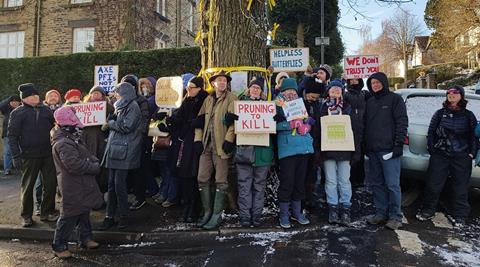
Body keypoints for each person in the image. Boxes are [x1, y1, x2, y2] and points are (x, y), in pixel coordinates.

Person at [416, 86, 477, 227]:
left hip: (461, 155)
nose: (451, 95)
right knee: (433, 184)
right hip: (440, 154)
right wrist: (433, 150)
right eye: (449, 93)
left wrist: (471, 153)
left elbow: (473, 137)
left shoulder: (469, 115)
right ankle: (428, 210)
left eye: (455, 93)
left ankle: (460, 215)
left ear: (461, 96)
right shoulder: (439, 113)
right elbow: (431, 133)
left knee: (460, 187)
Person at [51, 106, 102, 259]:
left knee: (84, 211)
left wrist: (92, 160)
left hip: (80, 183)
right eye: (74, 116)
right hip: (72, 184)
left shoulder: (71, 137)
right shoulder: (64, 142)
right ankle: (59, 245)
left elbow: (83, 154)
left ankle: (85, 238)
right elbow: (74, 165)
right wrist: (93, 167)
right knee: (69, 215)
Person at [8, 83, 58, 227]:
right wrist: (16, 156)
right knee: (27, 187)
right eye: (31, 95)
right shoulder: (17, 113)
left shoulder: (46, 110)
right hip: (28, 156)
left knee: (50, 185)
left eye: (36, 94)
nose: (35, 97)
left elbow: (55, 127)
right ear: (24, 99)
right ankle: (26, 216)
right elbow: (12, 136)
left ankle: (47, 212)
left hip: (48, 154)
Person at [194, 70, 238, 230]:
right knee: (202, 177)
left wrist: (229, 140)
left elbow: (234, 122)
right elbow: (199, 121)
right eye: (219, 80)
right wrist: (198, 140)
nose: (222, 83)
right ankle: (207, 211)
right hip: (206, 145)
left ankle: (217, 214)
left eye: (224, 80)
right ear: (213, 83)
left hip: (221, 146)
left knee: (221, 180)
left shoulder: (232, 98)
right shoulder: (208, 99)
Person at [364, 72, 408, 230]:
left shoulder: (395, 99)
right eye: (372, 83)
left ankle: (395, 216)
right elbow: (365, 125)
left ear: (384, 82)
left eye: (377, 82)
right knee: (377, 184)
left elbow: (402, 122)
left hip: (389, 150)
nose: (375, 85)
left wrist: (398, 144)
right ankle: (381, 213)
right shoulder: (369, 102)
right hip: (373, 150)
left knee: (392, 184)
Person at [98, 82, 142, 230]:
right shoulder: (121, 105)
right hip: (116, 149)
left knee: (119, 186)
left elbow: (126, 127)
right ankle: (110, 216)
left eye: (117, 92)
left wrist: (110, 123)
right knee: (112, 185)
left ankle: (123, 216)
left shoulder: (132, 106)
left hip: (124, 150)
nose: (115, 94)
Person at [274, 78, 314, 229]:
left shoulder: (300, 103)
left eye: (293, 90)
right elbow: (272, 125)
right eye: (287, 90)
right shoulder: (276, 104)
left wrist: (308, 124)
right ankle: (284, 214)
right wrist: (287, 124)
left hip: (303, 147)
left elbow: (307, 119)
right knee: (287, 182)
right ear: (282, 91)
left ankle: (297, 212)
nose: (290, 93)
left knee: (299, 182)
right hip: (287, 149)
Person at [234, 77, 274, 227]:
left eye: (258, 88)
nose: (256, 90)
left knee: (259, 186)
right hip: (244, 152)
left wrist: (276, 119)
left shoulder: (267, 106)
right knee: (244, 186)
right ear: (249, 88)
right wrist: (230, 118)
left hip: (263, 154)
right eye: (253, 87)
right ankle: (245, 216)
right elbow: (228, 124)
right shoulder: (240, 104)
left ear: (261, 91)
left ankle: (256, 216)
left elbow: (273, 128)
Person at [168, 76, 208, 222]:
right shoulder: (186, 101)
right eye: (187, 87)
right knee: (184, 175)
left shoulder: (204, 100)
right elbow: (180, 118)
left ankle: (194, 208)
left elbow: (204, 119)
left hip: (196, 142)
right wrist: (170, 120)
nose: (188, 90)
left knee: (193, 175)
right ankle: (186, 205)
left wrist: (196, 123)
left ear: (199, 88)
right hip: (185, 142)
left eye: (191, 87)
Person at [319, 79, 355, 226]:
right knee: (331, 181)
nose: (335, 92)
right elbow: (318, 129)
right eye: (333, 90)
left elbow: (354, 128)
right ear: (328, 92)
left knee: (344, 181)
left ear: (342, 92)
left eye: (338, 90)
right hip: (328, 150)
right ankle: (333, 208)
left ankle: (345, 208)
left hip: (345, 150)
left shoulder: (347, 107)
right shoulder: (323, 107)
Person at [34, 89, 64, 216]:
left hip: (60, 148)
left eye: (55, 95)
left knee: (55, 179)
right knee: (40, 181)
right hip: (43, 149)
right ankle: (39, 205)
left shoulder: (64, 110)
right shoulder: (38, 109)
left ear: (59, 98)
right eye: (50, 95)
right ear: (45, 98)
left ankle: (50, 207)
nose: (53, 97)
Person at [82, 86, 114, 193]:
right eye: (93, 93)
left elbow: (112, 117)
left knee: (100, 162)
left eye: (98, 93)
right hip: (87, 138)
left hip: (101, 138)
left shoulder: (108, 107)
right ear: (90, 95)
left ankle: (101, 188)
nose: (95, 95)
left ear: (102, 95)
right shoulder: (83, 107)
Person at [344, 78, 367, 187]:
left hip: (363, 129)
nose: (353, 81)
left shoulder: (365, 94)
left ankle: (360, 180)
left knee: (361, 156)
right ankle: (352, 180)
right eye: (351, 80)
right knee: (352, 157)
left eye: (355, 79)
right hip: (350, 130)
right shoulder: (345, 95)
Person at [0, 95, 21, 175]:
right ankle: (7, 169)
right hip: (7, 133)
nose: (15, 103)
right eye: (12, 101)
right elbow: (1, 105)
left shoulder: (22, 109)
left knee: (21, 150)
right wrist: (8, 98)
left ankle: (21, 168)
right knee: (7, 151)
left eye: (16, 101)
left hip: (21, 133)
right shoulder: (6, 109)